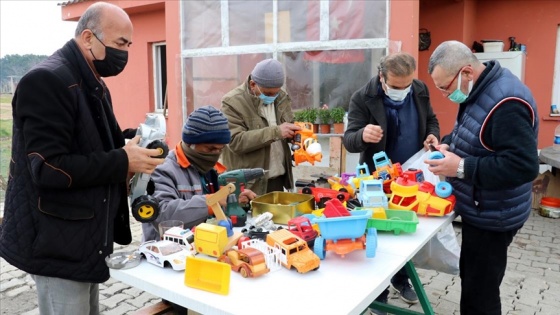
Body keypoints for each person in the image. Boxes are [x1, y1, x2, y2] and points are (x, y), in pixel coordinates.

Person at [0, 2, 164, 314]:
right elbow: (47, 167)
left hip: (81, 239)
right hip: (55, 243)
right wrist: (122, 161)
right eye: (120, 44)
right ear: (88, 37)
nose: (125, 53)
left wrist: (135, 141)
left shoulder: (92, 80)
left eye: (129, 45)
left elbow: (97, 141)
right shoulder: (47, 81)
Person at [426, 40, 538, 315]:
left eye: (444, 87)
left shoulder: (507, 103)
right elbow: (473, 133)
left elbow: (523, 166)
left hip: (495, 215)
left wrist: (461, 167)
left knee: (480, 294)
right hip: (483, 208)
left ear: (466, 72)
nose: (443, 94)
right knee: (474, 281)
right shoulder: (479, 89)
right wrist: (448, 145)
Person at [343, 52, 440, 314]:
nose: (403, 90)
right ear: (381, 77)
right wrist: (362, 134)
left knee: (405, 233)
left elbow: (431, 119)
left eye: (407, 85)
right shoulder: (363, 97)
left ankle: (400, 279)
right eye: (397, 86)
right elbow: (349, 140)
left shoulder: (419, 89)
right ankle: (380, 292)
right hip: (379, 181)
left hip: (412, 175)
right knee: (382, 236)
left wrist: (432, 135)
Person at [142, 105, 257, 242]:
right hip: (168, 251)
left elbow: (217, 208)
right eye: (210, 149)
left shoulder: (209, 167)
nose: (215, 154)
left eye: (220, 149)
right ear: (190, 143)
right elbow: (163, 216)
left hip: (203, 245)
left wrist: (232, 201)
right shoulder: (162, 169)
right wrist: (212, 202)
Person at [221, 58, 301, 196]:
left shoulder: (280, 97)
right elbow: (235, 141)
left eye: (277, 92)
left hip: (277, 179)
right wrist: (276, 132)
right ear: (253, 84)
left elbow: (287, 125)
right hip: (249, 185)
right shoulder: (232, 102)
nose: (273, 97)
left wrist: (294, 136)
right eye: (269, 94)